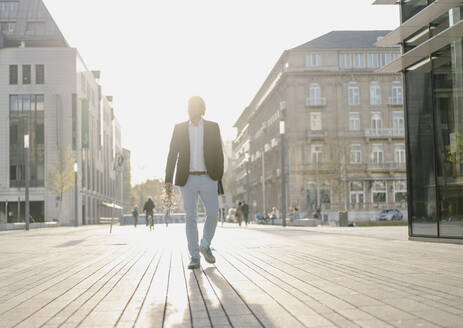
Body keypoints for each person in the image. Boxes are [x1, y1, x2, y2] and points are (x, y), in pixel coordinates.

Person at [165, 96, 224, 270]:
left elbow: (219, 154)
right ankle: (194, 257)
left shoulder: (213, 127)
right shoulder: (180, 128)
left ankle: (204, 244)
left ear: (202, 109)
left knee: (213, 214)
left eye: (195, 107)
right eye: (190, 107)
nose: (192, 110)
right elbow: (172, 154)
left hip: (208, 177)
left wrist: (218, 176)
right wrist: (168, 179)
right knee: (190, 218)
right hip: (187, 178)